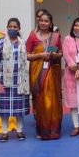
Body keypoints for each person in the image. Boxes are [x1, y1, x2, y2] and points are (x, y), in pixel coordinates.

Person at [26, 10, 63, 140]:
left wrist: (54, 55)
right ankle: (42, 130)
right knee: (39, 100)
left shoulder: (56, 37)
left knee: (53, 100)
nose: (43, 23)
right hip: (37, 74)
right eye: (41, 20)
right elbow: (26, 55)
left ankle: (53, 130)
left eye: (46, 21)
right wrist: (40, 55)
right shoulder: (32, 36)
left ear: (50, 23)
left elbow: (60, 53)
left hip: (52, 73)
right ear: (38, 21)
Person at [0, 18, 30, 142]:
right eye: (10, 26)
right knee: (4, 108)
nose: (12, 29)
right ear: (7, 27)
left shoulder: (23, 42)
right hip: (4, 80)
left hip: (20, 80)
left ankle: (19, 131)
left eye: (15, 27)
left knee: (19, 108)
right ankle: (4, 132)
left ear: (19, 29)